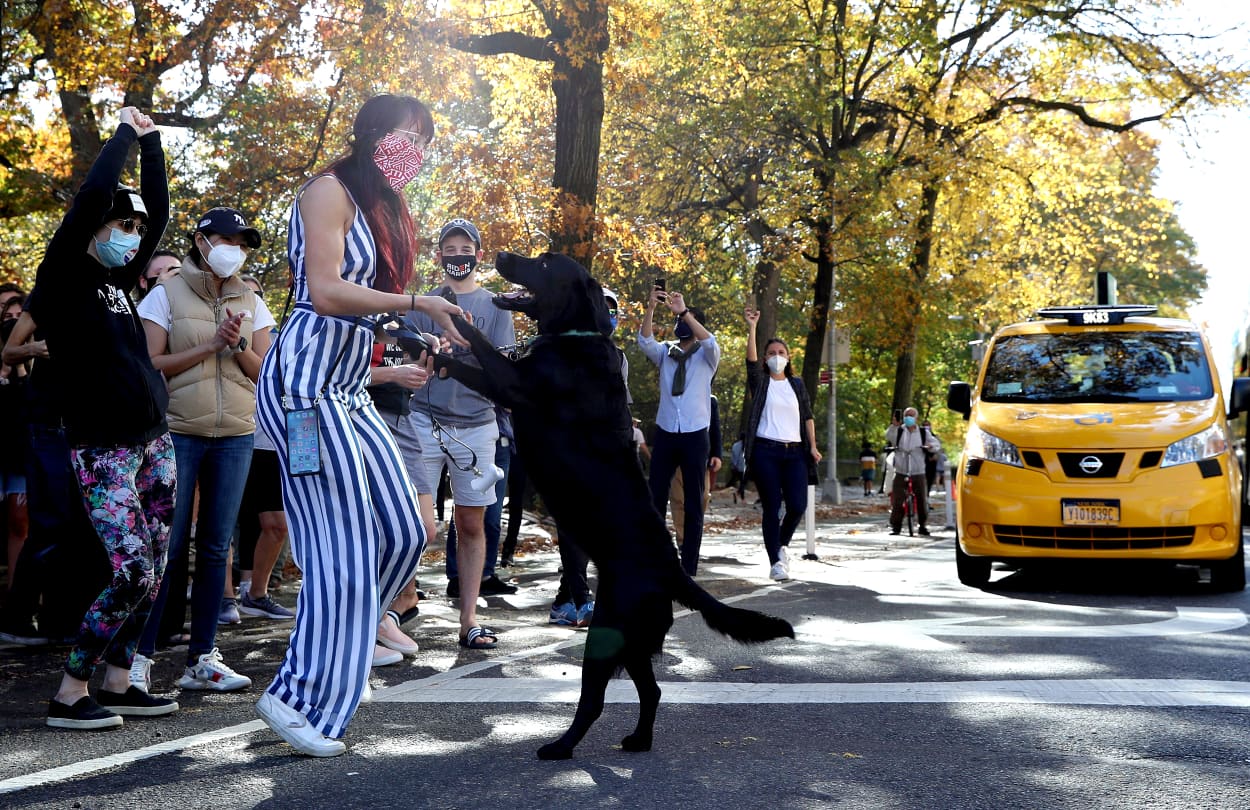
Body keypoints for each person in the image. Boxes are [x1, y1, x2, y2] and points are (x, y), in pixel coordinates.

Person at [252, 93, 463, 757]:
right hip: (305, 394)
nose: (420, 152)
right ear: (374, 133)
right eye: (412, 136)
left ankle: (344, 645)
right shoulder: (328, 191)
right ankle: (298, 693)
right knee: (339, 552)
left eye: (428, 142)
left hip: (351, 389)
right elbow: (324, 291)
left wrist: (420, 342)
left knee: (407, 530)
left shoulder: (386, 213)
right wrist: (416, 302)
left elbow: (371, 315)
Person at [27, 106, 180, 728]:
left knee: (156, 569)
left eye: (134, 230)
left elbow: (159, 214)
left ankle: (119, 681)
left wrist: (153, 148)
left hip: (152, 441)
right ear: (94, 227)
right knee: (131, 570)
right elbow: (92, 195)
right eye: (120, 225)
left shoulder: (120, 281)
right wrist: (122, 134)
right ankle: (70, 692)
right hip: (103, 448)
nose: (131, 235)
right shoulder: (64, 273)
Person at [133, 207, 272, 695]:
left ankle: (202, 659)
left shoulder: (251, 298)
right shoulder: (163, 295)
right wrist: (211, 344)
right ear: (201, 241)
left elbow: (263, 372)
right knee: (165, 549)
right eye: (226, 238)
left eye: (242, 241)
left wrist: (234, 347)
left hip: (235, 433)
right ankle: (139, 658)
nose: (235, 248)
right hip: (177, 432)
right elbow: (150, 366)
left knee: (216, 547)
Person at [407, 217, 516, 648]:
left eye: (464, 249)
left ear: (477, 254)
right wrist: (433, 353)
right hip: (423, 420)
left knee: (472, 523)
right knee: (420, 525)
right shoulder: (425, 303)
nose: (457, 257)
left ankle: (468, 619)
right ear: (438, 257)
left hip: (477, 426)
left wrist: (469, 350)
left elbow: (503, 374)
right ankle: (402, 602)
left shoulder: (496, 306)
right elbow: (408, 363)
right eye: (448, 250)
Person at [638, 288, 719, 575]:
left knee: (694, 503)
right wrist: (650, 308)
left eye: (688, 319)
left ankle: (689, 566)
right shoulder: (666, 352)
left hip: (695, 435)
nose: (682, 322)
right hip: (667, 432)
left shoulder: (707, 355)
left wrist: (685, 311)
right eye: (680, 319)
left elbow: (709, 341)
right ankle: (656, 558)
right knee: (655, 496)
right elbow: (645, 341)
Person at [230, 273, 295, 623]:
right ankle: (226, 597)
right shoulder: (217, 331)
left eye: (256, 297)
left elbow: (272, 380)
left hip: (270, 441)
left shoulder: (283, 340)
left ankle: (256, 593)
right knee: (222, 525)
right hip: (228, 435)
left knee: (277, 524)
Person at [742, 308, 821, 581]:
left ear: (789, 359)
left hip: (795, 453)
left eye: (782, 353)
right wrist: (753, 327)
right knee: (772, 506)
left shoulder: (797, 384)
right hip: (766, 452)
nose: (777, 357)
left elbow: (807, 417)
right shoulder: (761, 383)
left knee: (798, 505)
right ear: (766, 358)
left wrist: (812, 446)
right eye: (772, 353)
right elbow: (750, 363)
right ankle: (775, 561)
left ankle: (782, 545)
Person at [885, 406, 940, 536]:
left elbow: (935, 444)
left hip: (918, 470)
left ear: (916, 418)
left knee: (921, 499)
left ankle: (922, 525)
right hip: (901, 469)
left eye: (911, 415)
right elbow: (889, 437)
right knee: (898, 500)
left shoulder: (922, 432)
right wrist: (894, 426)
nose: (908, 418)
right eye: (906, 415)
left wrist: (931, 447)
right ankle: (896, 526)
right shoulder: (898, 430)